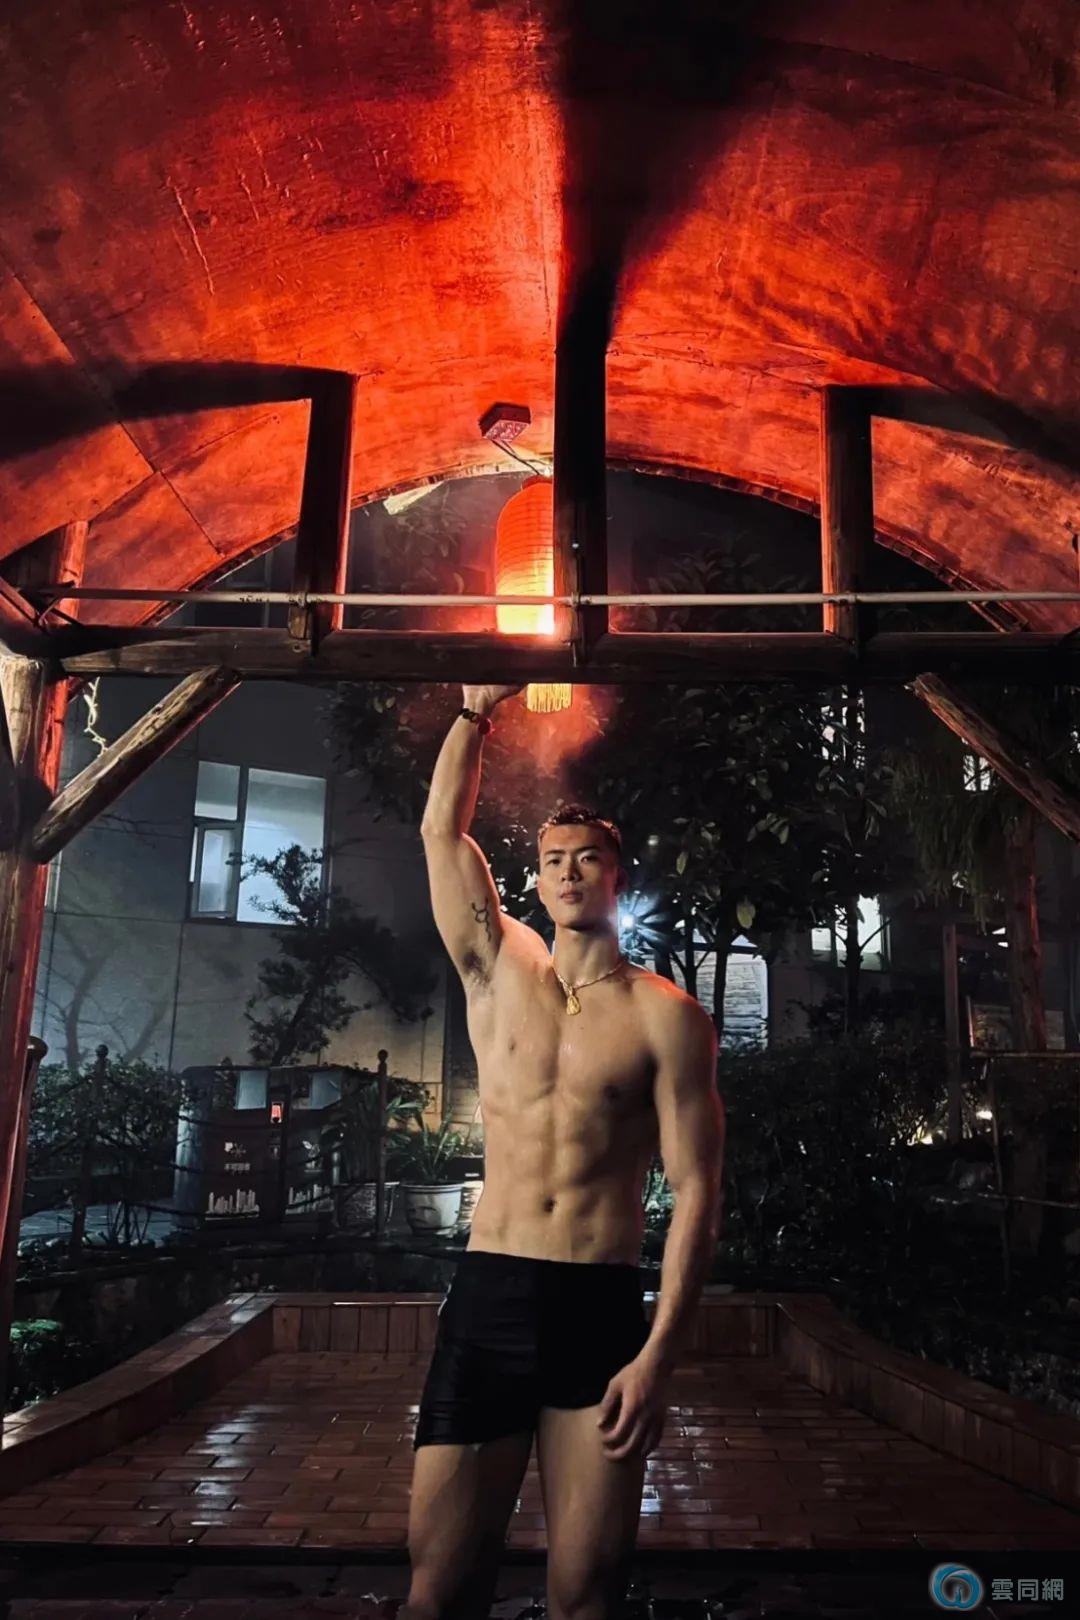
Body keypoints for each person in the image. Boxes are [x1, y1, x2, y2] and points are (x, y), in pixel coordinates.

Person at [404, 682, 726, 1620]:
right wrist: (474, 711)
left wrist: (659, 1356)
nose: (571, 872)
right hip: (490, 1295)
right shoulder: (496, 969)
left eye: (589, 859)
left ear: (617, 878)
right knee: (439, 1589)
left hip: (597, 1307)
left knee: (586, 1592)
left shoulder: (668, 1018)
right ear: (537, 883)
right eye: (554, 861)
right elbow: (439, 833)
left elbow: (698, 1192)